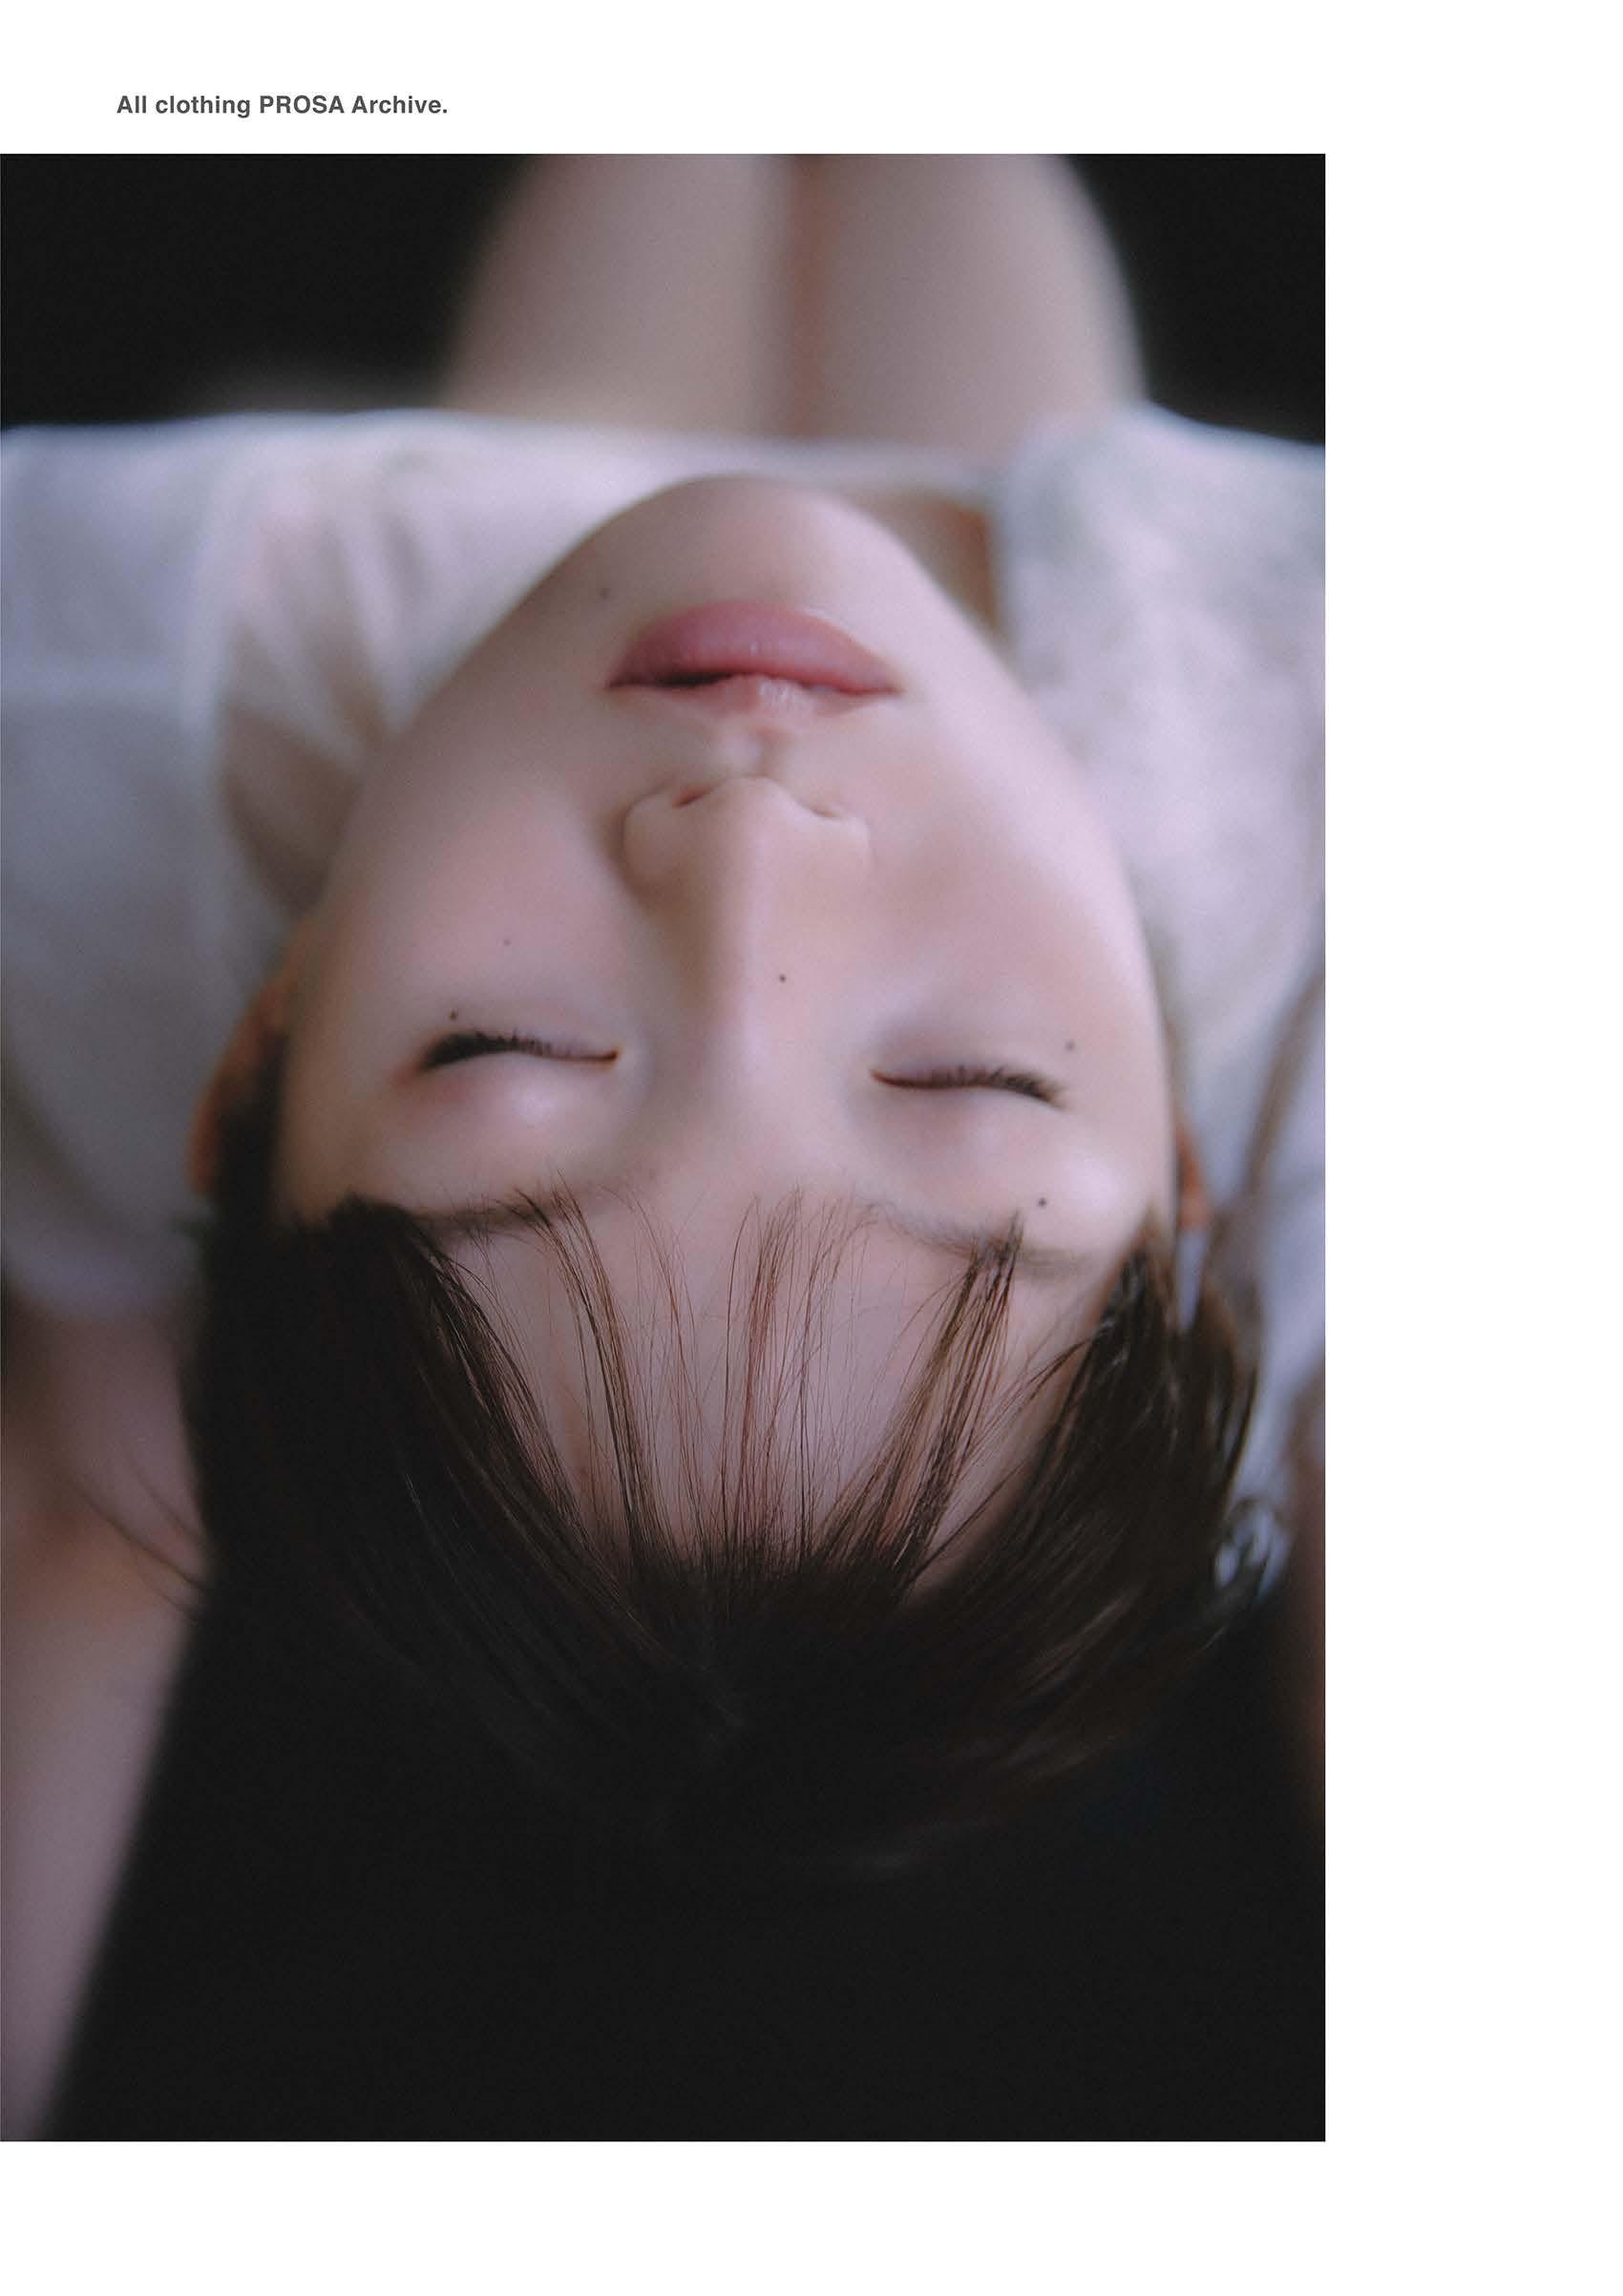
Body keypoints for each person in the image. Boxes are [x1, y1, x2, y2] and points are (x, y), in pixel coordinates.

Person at [1, 158, 1322, 2137]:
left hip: (496, 538)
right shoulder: (1339, 764)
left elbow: (82, 1500)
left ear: (253, 1042)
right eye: (968, 1084)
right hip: (1058, 545)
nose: (745, 853)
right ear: (1195, 1184)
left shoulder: (104, 717)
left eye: (504, 1051)